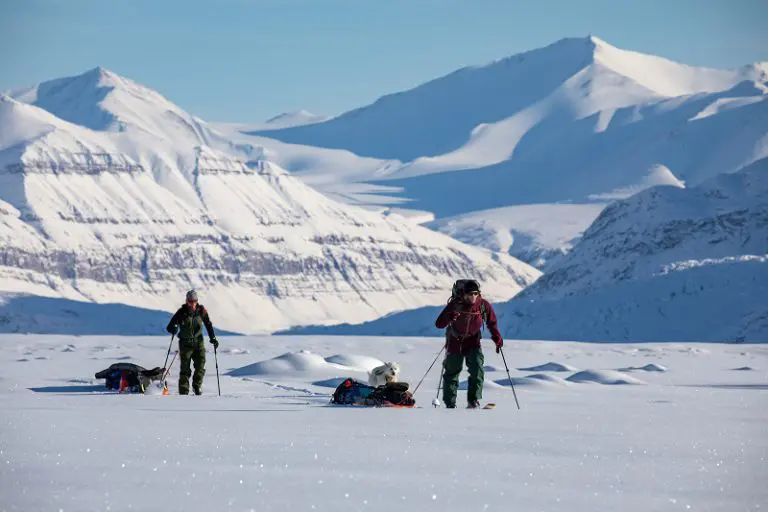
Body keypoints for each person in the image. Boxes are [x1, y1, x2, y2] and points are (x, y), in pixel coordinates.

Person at [434, 280, 503, 409]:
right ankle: (450, 403)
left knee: (477, 369)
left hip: (473, 341)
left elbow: (492, 322)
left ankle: (474, 400)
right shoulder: (455, 304)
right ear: (464, 294)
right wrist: (449, 317)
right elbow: (439, 324)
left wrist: (497, 338)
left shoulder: (483, 305)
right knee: (451, 372)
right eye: (470, 294)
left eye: (475, 293)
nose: (473, 296)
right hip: (454, 341)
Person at [166, 290, 218, 395]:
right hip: (185, 344)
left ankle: (197, 387)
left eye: (194, 301)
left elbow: (208, 324)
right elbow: (169, 327)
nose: (192, 303)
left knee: (200, 366)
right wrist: (174, 328)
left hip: (199, 343)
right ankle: (184, 391)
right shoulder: (181, 312)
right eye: (190, 301)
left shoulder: (201, 311)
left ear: (197, 301)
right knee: (185, 369)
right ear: (187, 301)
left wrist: (213, 338)